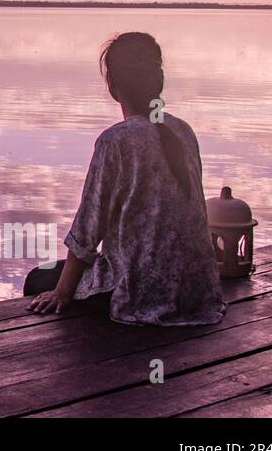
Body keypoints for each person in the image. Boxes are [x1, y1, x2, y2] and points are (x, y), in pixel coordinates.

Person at [25, 32, 227, 326]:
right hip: (199, 294)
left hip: (142, 295)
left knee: (38, 279)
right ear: (158, 81)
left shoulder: (116, 142)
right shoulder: (183, 131)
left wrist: (61, 292)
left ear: (112, 86)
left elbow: (87, 231)